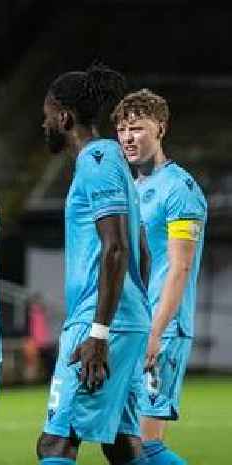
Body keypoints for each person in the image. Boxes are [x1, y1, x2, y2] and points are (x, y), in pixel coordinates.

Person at [36, 64, 152, 465]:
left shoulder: (97, 159)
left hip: (101, 324)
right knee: (121, 446)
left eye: (48, 114)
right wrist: (136, 313)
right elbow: (142, 250)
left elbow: (117, 248)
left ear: (64, 117)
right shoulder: (115, 161)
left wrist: (100, 332)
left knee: (56, 443)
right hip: (124, 319)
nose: (44, 123)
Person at [113, 89, 207, 465]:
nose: (128, 137)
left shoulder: (179, 190)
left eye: (137, 128)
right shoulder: (133, 188)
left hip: (161, 329)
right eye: (121, 129)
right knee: (125, 445)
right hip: (134, 327)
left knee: (146, 446)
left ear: (161, 129)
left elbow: (180, 267)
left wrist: (155, 331)